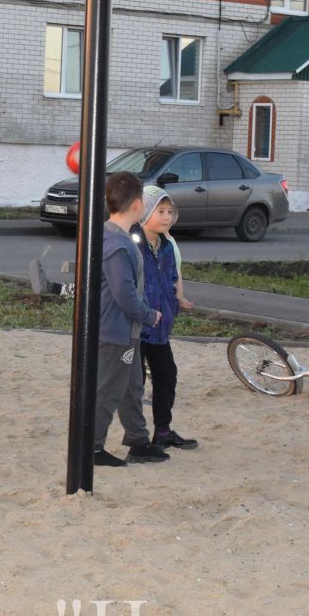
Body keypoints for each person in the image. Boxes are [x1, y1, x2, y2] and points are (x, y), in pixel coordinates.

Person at [95, 170, 167, 467]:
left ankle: (137, 440)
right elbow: (123, 293)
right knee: (110, 388)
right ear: (137, 205)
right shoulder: (117, 243)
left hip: (127, 330)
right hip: (116, 330)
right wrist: (149, 315)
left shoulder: (114, 236)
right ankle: (93, 446)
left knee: (131, 385)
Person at [137, 185, 197, 451]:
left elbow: (172, 278)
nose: (166, 217)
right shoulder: (133, 243)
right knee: (132, 383)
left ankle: (162, 432)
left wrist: (176, 301)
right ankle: (136, 439)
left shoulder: (166, 247)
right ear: (145, 212)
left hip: (160, 326)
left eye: (169, 211)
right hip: (136, 326)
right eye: (160, 211)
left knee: (166, 376)